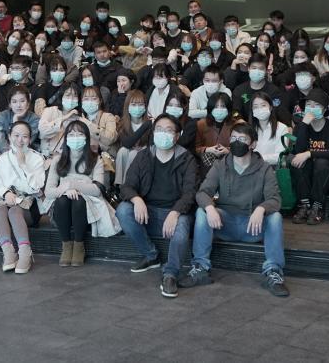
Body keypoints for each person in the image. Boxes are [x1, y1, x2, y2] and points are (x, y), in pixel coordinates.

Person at [179, 123, 289, 297]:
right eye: (234, 138)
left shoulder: (264, 169)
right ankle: (200, 268)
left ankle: (273, 272)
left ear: (253, 144)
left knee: (275, 217)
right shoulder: (220, 165)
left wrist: (261, 209)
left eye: (242, 139)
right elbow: (202, 193)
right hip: (225, 225)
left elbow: (275, 199)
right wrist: (210, 207)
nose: (237, 142)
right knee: (202, 211)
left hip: (252, 227)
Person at [117, 115, 198, 298]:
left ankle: (170, 274)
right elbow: (127, 186)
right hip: (148, 213)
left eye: (169, 130)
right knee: (123, 210)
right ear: (153, 133)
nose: (163, 134)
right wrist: (137, 200)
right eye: (159, 129)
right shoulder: (143, 156)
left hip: (176, 213)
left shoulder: (187, 159)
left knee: (181, 229)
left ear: (177, 135)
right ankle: (151, 255)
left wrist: (175, 212)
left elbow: (190, 193)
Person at [42, 120, 120, 266]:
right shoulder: (58, 160)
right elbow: (49, 192)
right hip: (63, 209)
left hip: (89, 209)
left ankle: (79, 245)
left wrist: (72, 185)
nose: (75, 138)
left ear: (86, 138)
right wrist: (65, 189)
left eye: (79, 134)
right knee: (62, 200)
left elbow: (97, 190)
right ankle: (66, 245)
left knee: (78, 201)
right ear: (66, 138)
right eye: (71, 135)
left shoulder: (96, 159)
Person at [0, 121, 45, 274]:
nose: (20, 140)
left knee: (14, 211)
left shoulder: (37, 158)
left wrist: (23, 164)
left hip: (29, 207)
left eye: (24, 136)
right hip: (6, 202)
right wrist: (6, 193)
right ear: (9, 137)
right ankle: (8, 252)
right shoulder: (2, 159)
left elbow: (36, 188)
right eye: (16, 135)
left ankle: (25, 252)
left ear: (30, 139)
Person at [289, 91, 329, 225]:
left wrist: (309, 153)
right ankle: (304, 205)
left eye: (316, 105)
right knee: (297, 160)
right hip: (307, 177)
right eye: (309, 105)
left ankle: (317, 206)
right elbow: (298, 151)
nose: (312, 108)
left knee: (321, 163)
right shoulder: (300, 128)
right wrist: (304, 125)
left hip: (328, 178)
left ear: (325, 109)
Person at [195, 92, 236, 169]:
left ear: (228, 108)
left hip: (230, 161)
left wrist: (227, 150)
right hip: (207, 163)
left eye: (223, 106)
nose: (219, 109)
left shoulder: (236, 124)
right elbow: (195, 148)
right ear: (210, 108)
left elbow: (241, 146)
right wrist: (207, 149)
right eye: (216, 106)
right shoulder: (201, 124)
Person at [248, 92, 290, 165]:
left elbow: (281, 156)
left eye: (263, 105)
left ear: (270, 107)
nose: (260, 109)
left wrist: (258, 158)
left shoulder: (282, 128)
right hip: (251, 167)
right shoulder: (248, 129)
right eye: (255, 107)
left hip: (272, 168)